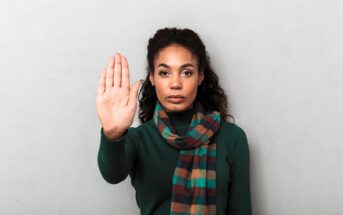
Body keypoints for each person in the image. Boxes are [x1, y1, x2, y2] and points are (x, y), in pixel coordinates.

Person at [96, 27, 252, 215]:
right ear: (152, 77)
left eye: (186, 72)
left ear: (200, 76)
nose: (176, 84)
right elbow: (112, 175)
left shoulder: (232, 138)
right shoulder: (139, 139)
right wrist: (113, 134)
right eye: (164, 73)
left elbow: (241, 210)